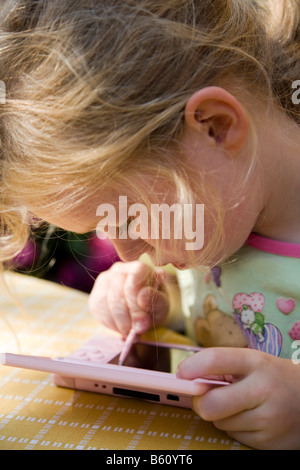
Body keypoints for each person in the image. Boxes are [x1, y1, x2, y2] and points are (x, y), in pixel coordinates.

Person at [1, 0, 300, 449]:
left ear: (216, 127)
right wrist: (164, 302)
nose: (124, 252)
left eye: (131, 218)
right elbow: (228, 308)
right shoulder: (218, 217)